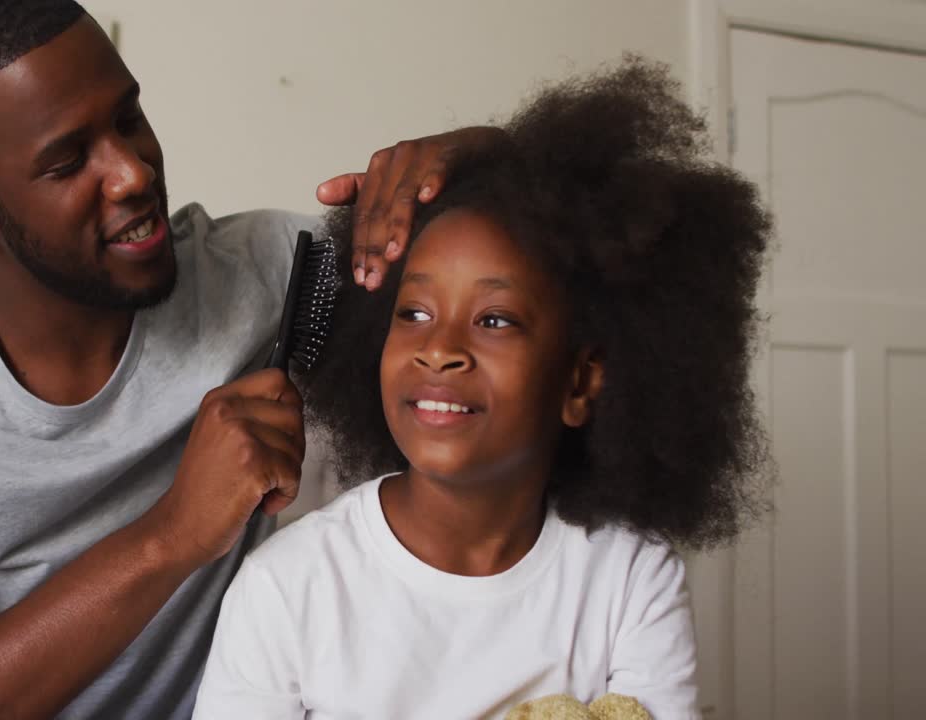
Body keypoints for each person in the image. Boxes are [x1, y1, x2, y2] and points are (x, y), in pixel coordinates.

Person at [0, 1, 497, 718]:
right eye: (67, 162)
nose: (130, 174)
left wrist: (479, 156)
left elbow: (531, 265)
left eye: (128, 119)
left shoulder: (267, 275)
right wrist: (172, 535)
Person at [192, 58, 772, 719]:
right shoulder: (287, 588)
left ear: (580, 382)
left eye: (495, 320)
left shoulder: (629, 578)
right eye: (413, 313)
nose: (440, 348)